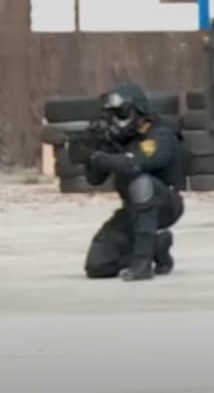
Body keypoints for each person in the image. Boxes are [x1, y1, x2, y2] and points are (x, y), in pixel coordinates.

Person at [76, 83, 186, 281]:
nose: (116, 120)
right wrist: (92, 152)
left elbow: (134, 163)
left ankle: (142, 264)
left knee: (141, 183)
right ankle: (156, 247)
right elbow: (94, 180)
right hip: (133, 210)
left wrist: (100, 158)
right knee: (98, 265)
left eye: (121, 113)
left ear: (138, 110)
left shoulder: (160, 133)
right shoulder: (119, 138)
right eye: (112, 114)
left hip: (166, 204)